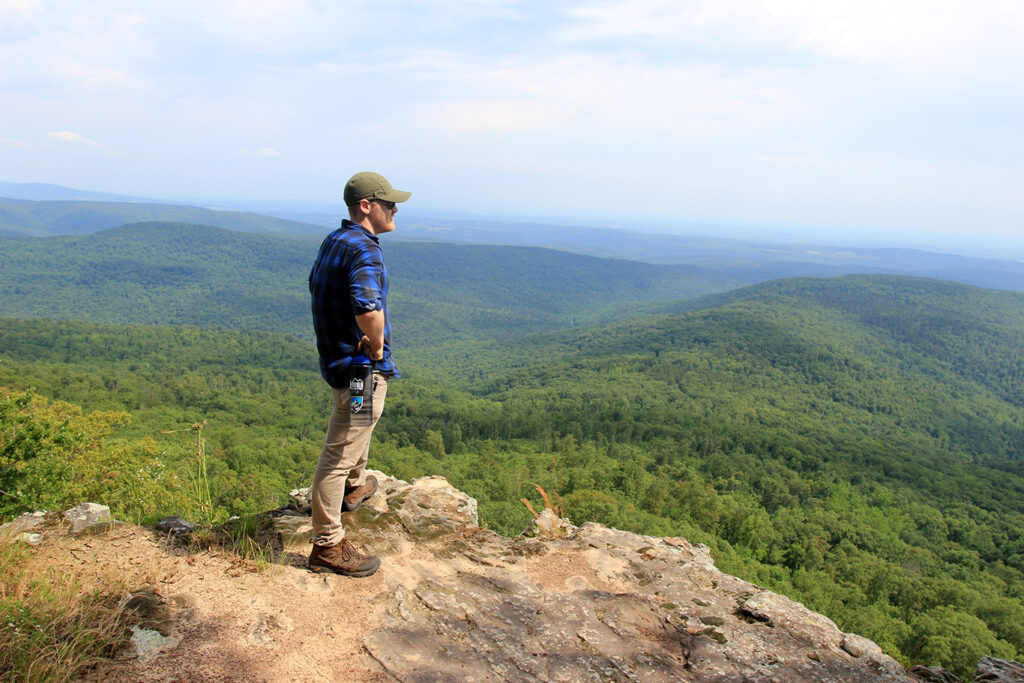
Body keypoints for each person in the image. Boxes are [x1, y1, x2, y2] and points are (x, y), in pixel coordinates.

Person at [307, 171, 411, 577]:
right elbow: (368, 307)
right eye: (388, 203)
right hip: (359, 370)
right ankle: (327, 545)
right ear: (366, 206)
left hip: (338, 360)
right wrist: (378, 344)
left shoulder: (336, 239)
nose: (395, 209)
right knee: (343, 444)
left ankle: (354, 486)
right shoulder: (365, 249)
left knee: (358, 427)